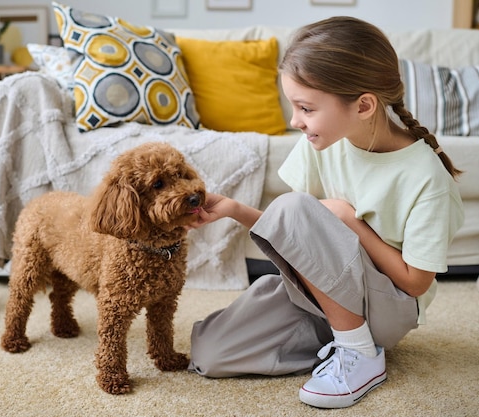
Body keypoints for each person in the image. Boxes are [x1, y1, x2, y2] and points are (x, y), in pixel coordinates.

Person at [186, 16, 464, 409]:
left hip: (387, 307)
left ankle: (360, 354)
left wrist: (350, 221)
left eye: (305, 108)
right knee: (209, 352)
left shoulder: (425, 178)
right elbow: (298, 234)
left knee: (298, 206)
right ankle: (339, 338)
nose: (295, 121)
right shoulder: (324, 139)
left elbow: (415, 284)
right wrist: (234, 210)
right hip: (322, 293)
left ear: (364, 105)